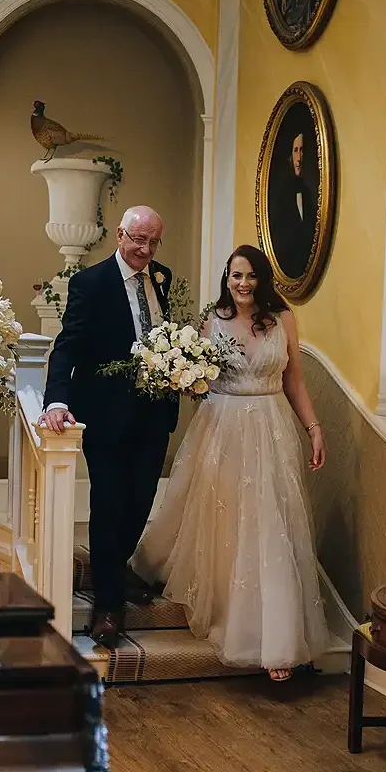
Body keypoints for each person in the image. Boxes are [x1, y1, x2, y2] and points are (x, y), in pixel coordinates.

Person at [131, 245, 349, 681]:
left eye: (250, 276)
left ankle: (276, 638)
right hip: (222, 426)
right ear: (226, 279)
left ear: (261, 278)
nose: (243, 283)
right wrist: (183, 374)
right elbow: (201, 379)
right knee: (227, 520)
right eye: (236, 276)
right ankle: (222, 604)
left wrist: (314, 428)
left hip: (271, 427)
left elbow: (295, 381)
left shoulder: (283, 319)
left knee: (269, 524)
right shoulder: (213, 319)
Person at [40, 206, 177, 650]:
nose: (146, 249)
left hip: (154, 414)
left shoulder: (162, 278)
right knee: (109, 506)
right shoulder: (90, 283)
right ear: (120, 235)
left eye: (154, 241)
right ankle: (107, 606)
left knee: (140, 503)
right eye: (138, 239)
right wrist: (57, 399)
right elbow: (68, 346)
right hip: (105, 415)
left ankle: (115, 569)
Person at [267, 129, 317, 279]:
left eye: (302, 150)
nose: (299, 158)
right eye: (296, 150)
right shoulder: (283, 194)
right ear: (290, 157)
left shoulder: (308, 193)